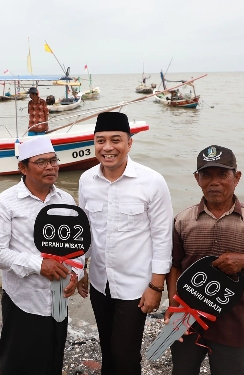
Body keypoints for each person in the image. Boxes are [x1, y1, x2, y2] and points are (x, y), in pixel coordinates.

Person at [165, 145, 244, 375]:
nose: (214, 182)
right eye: (206, 175)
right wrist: (175, 306)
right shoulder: (183, 220)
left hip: (234, 321)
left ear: (236, 178)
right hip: (187, 318)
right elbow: (175, 265)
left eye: (222, 175)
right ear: (197, 179)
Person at [77, 112, 173, 375]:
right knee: (107, 349)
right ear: (94, 144)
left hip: (135, 286)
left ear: (129, 143)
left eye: (116, 140)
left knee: (125, 354)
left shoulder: (152, 181)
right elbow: (83, 231)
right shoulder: (86, 180)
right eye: (100, 141)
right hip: (99, 282)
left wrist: (156, 285)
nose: (108, 148)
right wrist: (81, 270)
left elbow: (163, 237)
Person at [0, 136, 83, 375]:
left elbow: (77, 245)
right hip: (23, 299)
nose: (50, 167)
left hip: (58, 295)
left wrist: (78, 272)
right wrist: (38, 264)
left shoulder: (66, 201)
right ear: (23, 167)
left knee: (54, 358)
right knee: (19, 363)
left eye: (53, 161)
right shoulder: (4, 204)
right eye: (41, 162)